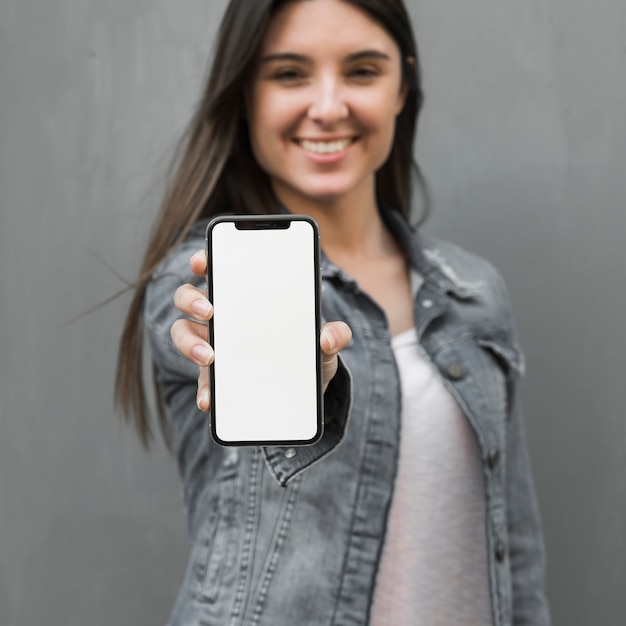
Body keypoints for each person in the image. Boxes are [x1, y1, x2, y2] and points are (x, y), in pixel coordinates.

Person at [116, 0, 551, 624]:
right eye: (289, 73)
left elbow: (518, 550)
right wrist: (253, 356)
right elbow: (182, 330)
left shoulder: (474, 291)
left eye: (363, 71)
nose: (327, 106)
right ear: (245, 92)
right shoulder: (200, 284)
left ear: (403, 84)